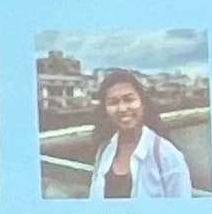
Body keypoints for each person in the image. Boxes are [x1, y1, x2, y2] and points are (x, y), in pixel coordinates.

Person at [82, 68, 194, 201]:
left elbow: (182, 212)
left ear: (143, 103)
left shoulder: (167, 155)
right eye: (113, 102)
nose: (122, 108)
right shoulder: (104, 150)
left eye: (129, 99)